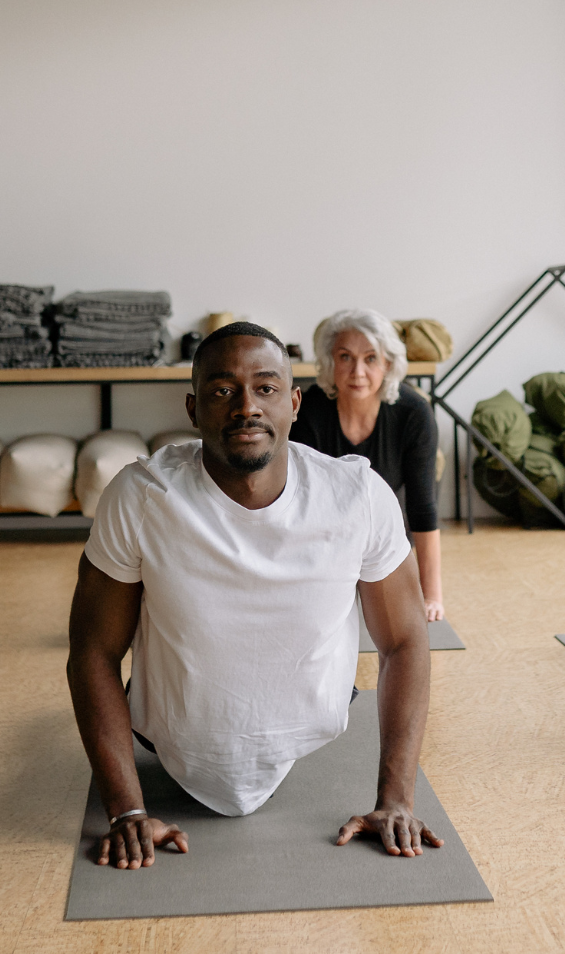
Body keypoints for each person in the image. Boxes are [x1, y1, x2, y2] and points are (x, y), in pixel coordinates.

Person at [68, 321, 439, 870]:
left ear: (294, 403)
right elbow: (93, 650)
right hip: (168, 738)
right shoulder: (142, 494)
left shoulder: (357, 496)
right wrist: (127, 810)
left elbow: (405, 641)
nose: (247, 407)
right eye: (223, 390)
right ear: (193, 409)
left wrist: (396, 799)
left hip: (311, 728)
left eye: (266, 388)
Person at [291, 308, 444, 621]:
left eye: (371, 358)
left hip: (386, 540)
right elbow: (299, 503)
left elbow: (422, 509)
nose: (357, 371)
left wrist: (431, 596)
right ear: (330, 362)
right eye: (345, 357)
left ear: (388, 364)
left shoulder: (414, 413)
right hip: (323, 541)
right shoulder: (308, 411)